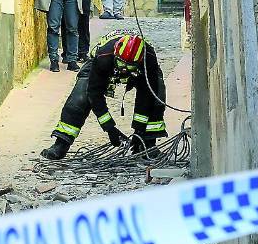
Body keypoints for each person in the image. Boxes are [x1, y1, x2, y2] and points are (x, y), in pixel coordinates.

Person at [41, 30, 168, 160]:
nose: (123, 70)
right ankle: (61, 144)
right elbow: (94, 93)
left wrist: (139, 130)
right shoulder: (104, 55)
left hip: (140, 68)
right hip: (102, 63)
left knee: (157, 96)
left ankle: (147, 145)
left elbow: (147, 95)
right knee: (80, 98)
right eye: (121, 65)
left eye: (128, 67)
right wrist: (110, 128)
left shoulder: (149, 58)